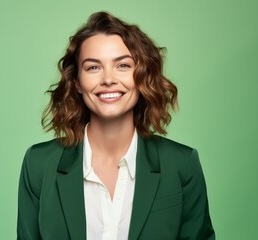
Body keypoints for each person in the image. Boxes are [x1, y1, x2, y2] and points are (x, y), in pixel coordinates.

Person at [17, 11, 215, 240]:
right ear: (77, 82)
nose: (108, 79)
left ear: (141, 76)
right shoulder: (39, 165)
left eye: (122, 65)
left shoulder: (181, 164)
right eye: (93, 67)